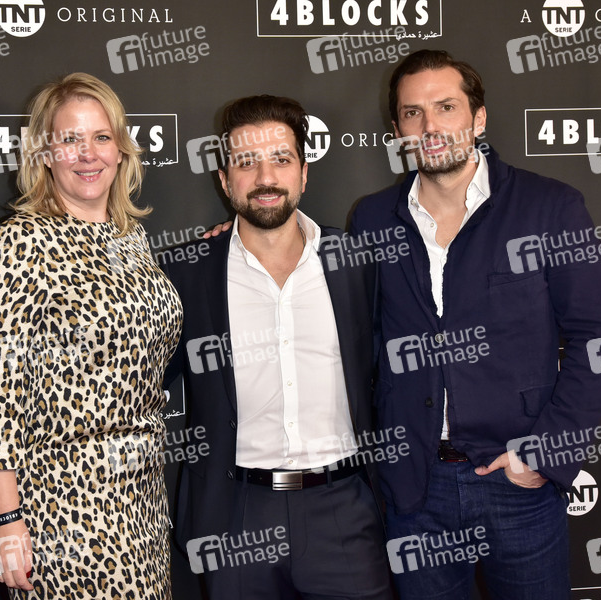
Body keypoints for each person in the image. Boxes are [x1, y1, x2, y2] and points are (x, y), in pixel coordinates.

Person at [350, 49, 601, 598]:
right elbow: (358, 332)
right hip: (415, 491)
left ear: (478, 118)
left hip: (516, 484)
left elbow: (598, 342)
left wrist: (542, 455)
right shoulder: (372, 218)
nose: (430, 126)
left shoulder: (550, 208)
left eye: (446, 107)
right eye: (412, 113)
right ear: (397, 129)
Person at [163, 95, 392, 599]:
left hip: (344, 510)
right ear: (225, 180)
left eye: (281, 159)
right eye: (247, 162)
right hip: (237, 516)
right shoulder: (187, 272)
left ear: (304, 174)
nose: (265, 177)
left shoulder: (356, 263)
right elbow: (139, 383)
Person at [0, 72, 183, 599]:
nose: (88, 154)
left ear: (121, 149)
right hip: (61, 510)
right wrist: (6, 519)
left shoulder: (131, 239)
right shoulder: (19, 242)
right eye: (70, 139)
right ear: (44, 153)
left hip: (142, 505)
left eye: (101, 137)